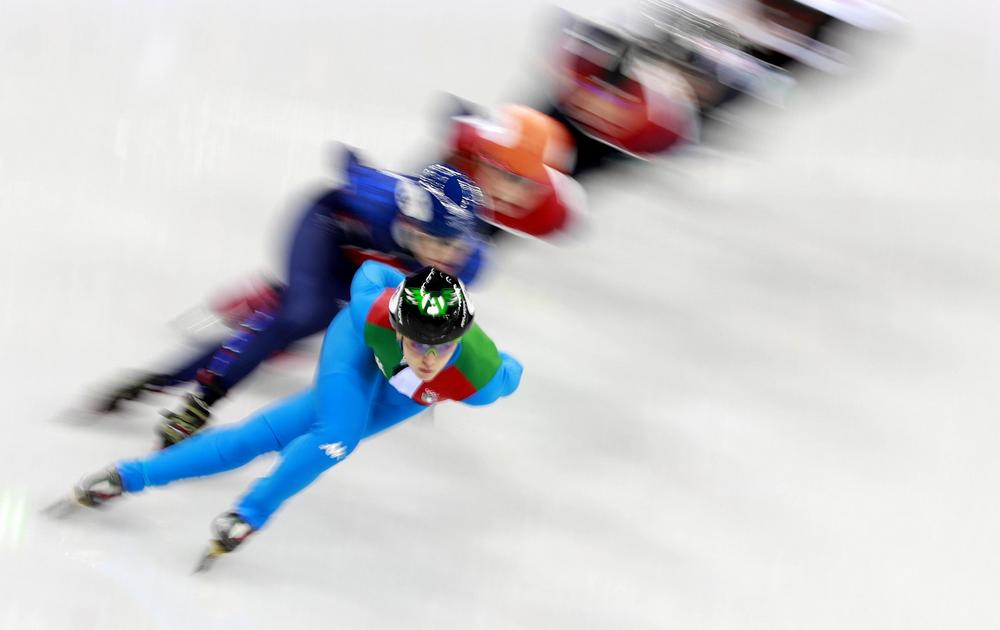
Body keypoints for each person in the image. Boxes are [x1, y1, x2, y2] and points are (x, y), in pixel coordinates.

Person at [64, 262, 523, 570]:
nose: (427, 356)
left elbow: (511, 372)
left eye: (441, 346)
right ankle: (247, 511)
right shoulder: (374, 312)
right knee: (335, 438)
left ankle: (129, 476)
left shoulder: (478, 378)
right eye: (417, 341)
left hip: (401, 395)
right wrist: (410, 278)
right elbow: (370, 272)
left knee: (255, 440)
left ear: (459, 341)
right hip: (358, 351)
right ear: (400, 326)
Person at [93, 152, 491, 448]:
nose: (447, 255)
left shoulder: (467, 264)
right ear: (408, 222)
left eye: (457, 244)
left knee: (337, 320)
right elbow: (349, 165)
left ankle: (182, 367)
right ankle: (202, 399)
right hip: (326, 230)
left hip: (367, 263)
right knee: (302, 314)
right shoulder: (377, 201)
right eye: (437, 241)